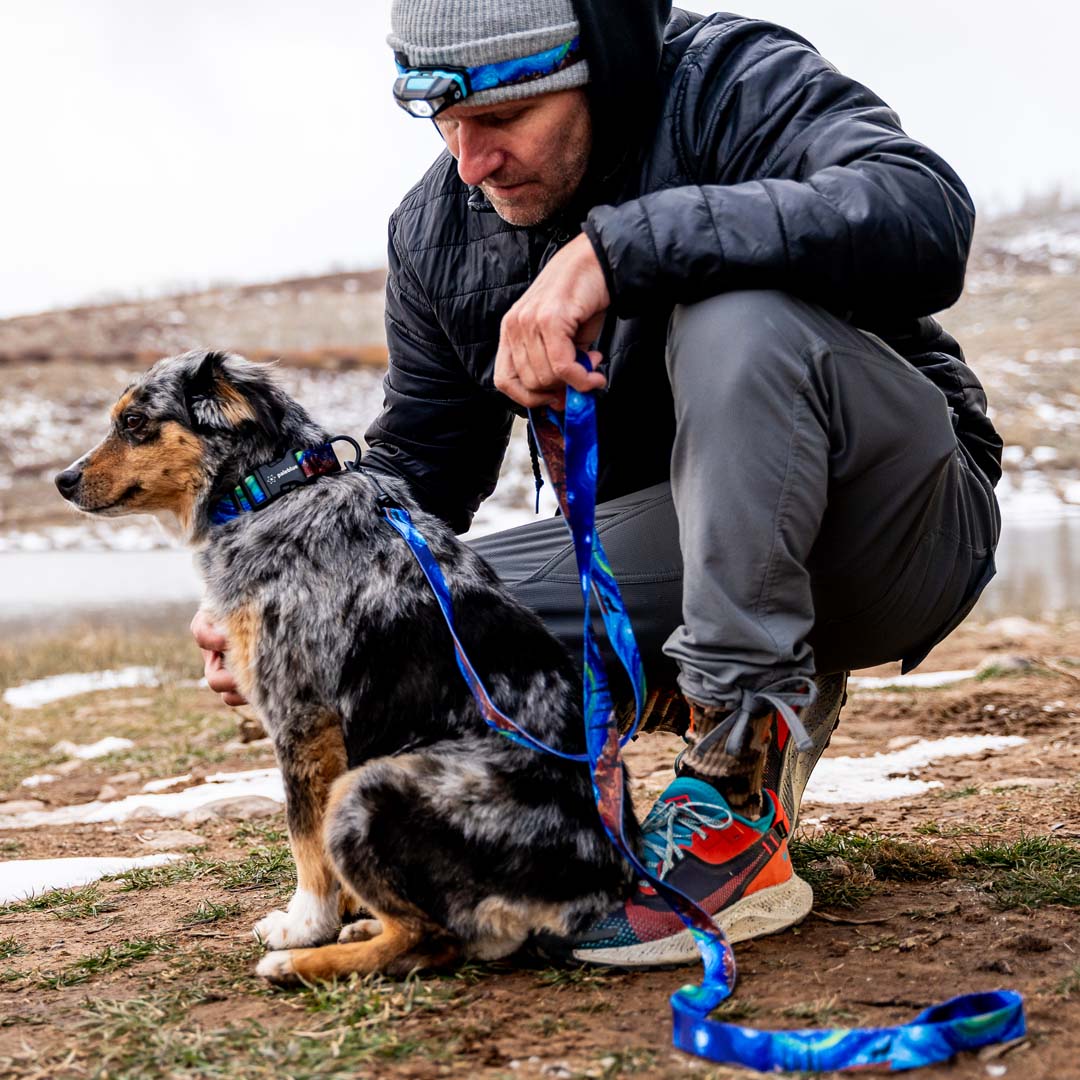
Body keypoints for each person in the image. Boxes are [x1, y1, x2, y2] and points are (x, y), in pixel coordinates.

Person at [193, 0, 1001, 967]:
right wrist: (296, 601)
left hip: (895, 524)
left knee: (733, 313)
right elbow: (424, 467)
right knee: (415, 613)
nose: (470, 162)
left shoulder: (728, 80)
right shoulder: (439, 230)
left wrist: (620, 251)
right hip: (668, 539)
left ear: (598, 68)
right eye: (444, 124)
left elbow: (922, 214)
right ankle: (541, 835)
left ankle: (739, 762)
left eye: (501, 118)